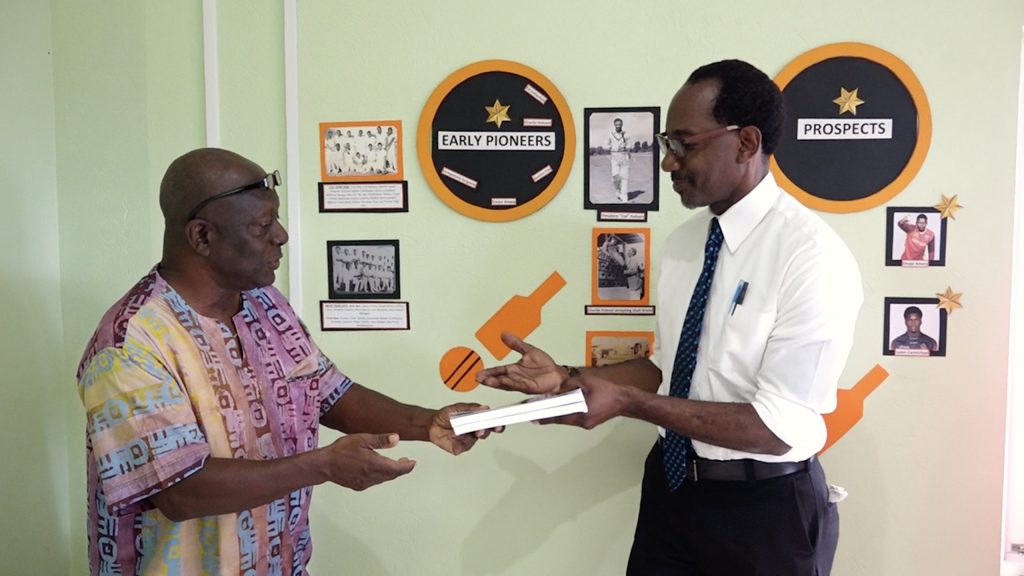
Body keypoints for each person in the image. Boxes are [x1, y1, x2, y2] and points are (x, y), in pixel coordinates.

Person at [478, 60, 862, 575]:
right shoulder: (686, 243)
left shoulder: (810, 256)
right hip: (673, 490)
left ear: (745, 143)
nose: (667, 164)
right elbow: (668, 368)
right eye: (666, 144)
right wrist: (570, 379)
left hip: (765, 510)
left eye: (684, 144)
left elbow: (779, 427)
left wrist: (628, 403)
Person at [76, 148, 496, 575]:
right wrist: (323, 464)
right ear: (202, 237)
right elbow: (181, 491)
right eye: (262, 226)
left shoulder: (263, 302)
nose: (282, 235)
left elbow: (329, 392)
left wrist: (428, 423)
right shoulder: (130, 344)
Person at [607, 117, 632, 202]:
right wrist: (611, 148)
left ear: (622, 125)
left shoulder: (626, 135)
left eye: (619, 124)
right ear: (614, 125)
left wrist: (624, 146)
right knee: (615, 176)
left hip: (624, 155)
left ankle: (624, 196)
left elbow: (630, 146)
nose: (618, 126)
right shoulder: (611, 134)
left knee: (624, 177)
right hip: (614, 156)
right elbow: (607, 145)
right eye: (616, 124)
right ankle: (618, 190)